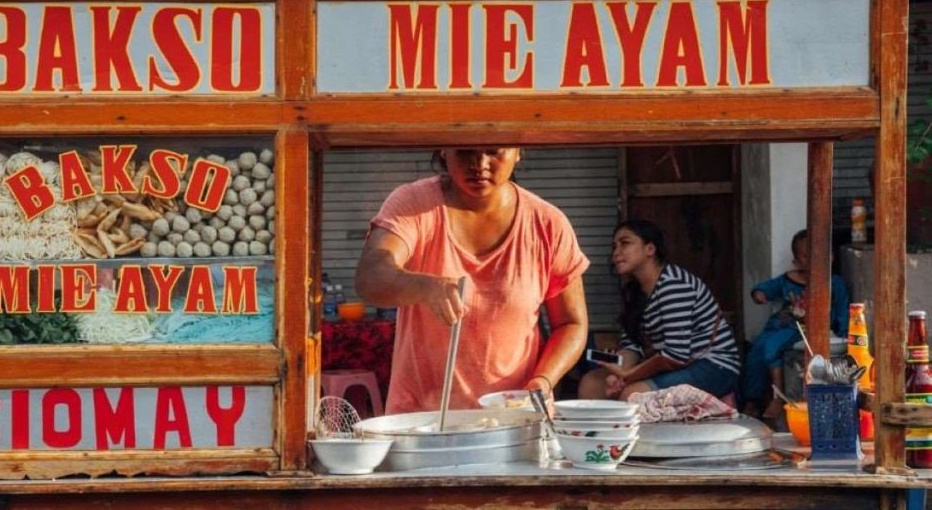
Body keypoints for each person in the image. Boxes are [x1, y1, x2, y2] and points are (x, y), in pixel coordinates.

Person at [354, 147, 590, 414]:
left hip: (512, 417)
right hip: (421, 418)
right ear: (444, 150)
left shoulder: (548, 223)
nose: (479, 163)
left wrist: (543, 380)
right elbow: (370, 277)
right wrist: (423, 287)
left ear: (518, 151)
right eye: (466, 151)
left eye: (493, 151)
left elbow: (571, 323)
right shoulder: (413, 204)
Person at [578, 219, 740, 401]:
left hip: (712, 366)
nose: (616, 252)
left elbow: (676, 355)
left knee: (633, 396)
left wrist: (630, 375)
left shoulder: (674, 285)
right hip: (669, 366)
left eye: (625, 243)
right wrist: (618, 369)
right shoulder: (635, 292)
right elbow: (632, 345)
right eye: (614, 246)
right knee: (591, 383)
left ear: (650, 249)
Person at [742, 229, 850, 419]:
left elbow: (842, 311)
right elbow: (764, 289)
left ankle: (778, 398)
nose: (816, 260)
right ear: (797, 261)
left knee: (770, 349)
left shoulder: (835, 283)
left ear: (831, 256)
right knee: (754, 356)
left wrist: (843, 336)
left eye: (822, 253)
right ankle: (752, 401)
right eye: (808, 256)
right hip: (778, 327)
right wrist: (759, 295)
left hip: (802, 330)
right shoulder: (788, 279)